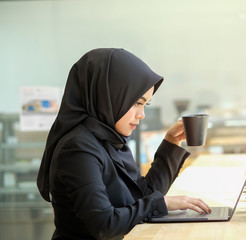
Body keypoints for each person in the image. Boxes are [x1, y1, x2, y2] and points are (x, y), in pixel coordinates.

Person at [37, 48, 211, 240]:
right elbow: (104, 224)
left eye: (146, 105)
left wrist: (171, 143)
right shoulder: (78, 148)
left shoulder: (110, 140)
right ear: (109, 95)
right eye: (137, 102)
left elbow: (142, 196)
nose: (141, 114)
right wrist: (161, 203)